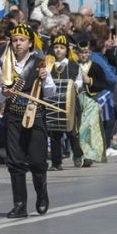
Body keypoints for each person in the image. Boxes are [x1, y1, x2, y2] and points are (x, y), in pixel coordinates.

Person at [0, 23, 54, 218]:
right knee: (15, 162)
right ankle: (20, 205)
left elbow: (51, 93)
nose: (17, 44)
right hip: (13, 117)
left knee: (37, 160)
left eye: (22, 40)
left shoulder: (40, 63)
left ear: (29, 43)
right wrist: (3, 92)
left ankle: (41, 194)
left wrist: (44, 79)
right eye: (15, 40)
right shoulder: (5, 65)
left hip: (36, 115)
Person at [44, 35, 82, 171]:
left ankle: (78, 154)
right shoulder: (48, 66)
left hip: (71, 103)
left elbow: (79, 81)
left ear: (67, 50)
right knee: (55, 134)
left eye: (61, 48)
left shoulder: (74, 65)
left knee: (72, 132)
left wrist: (76, 85)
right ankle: (56, 162)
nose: (58, 50)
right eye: (55, 47)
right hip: (53, 103)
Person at [77, 39, 111, 165]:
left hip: (91, 100)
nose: (83, 55)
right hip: (77, 99)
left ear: (90, 52)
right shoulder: (74, 66)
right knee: (79, 126)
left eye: (86, 52)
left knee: (89, 125)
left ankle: (88, 155)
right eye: (81, 53)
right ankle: (80, 153)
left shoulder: (95, 67)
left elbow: (103, 83)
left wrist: (90, 81)